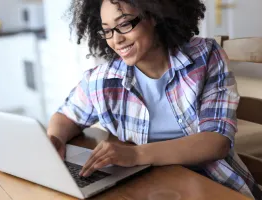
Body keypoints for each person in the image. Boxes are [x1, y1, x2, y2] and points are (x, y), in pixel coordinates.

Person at [46, 0, 262, 199]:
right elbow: (66, 116)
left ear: (154, 15)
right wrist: (55, 139)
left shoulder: (204, 57)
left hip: (215, 185)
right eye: (108, 31)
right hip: (151, 186)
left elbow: (217, 142)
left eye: (125, 24)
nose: (116, 39)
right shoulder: (103, 79)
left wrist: (135, 155)